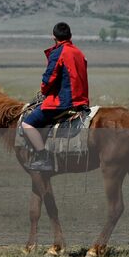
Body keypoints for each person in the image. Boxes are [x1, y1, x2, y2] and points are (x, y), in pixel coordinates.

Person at [21, 23, 89, 173]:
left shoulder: (59, 53)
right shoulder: (79, 52)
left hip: (64, 102)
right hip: (81, 101)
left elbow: (49, 79)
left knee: (27, 124)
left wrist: (44, 90)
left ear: (54, 37)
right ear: (70, 36)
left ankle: (43, 157)